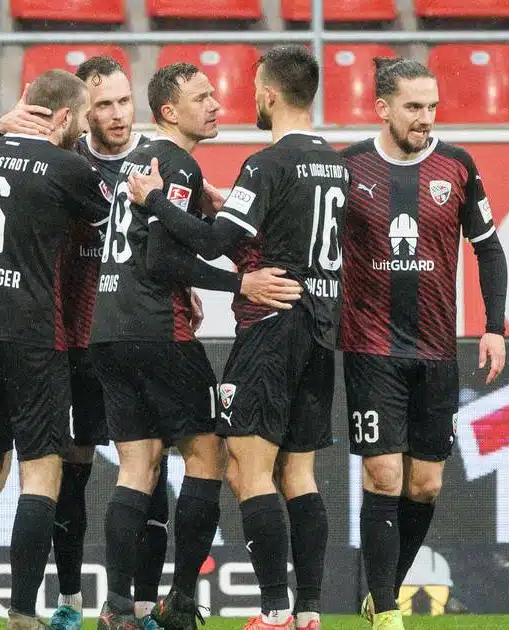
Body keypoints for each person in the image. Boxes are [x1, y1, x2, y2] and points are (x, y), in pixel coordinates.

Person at [126, 46, 344, 630]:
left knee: (248, 470)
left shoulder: (266, 164)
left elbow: (214, 241)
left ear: (270, 95)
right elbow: (276, 229)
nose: (239, 102)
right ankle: (308, 612)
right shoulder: (335, 164)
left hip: (270, 329)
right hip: (321, 327)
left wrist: (154, 201)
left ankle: (272, 610)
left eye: (252, 92)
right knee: (298, 474)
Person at [89, 62, 305, 630]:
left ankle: (117, 608)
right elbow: (162, 258)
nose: (215, 104)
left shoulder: (137, 161)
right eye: (201, 98)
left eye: (214, 94)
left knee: (137, 467)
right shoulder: (176, 163)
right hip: (159, 330)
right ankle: (182, 598)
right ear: (169, 111)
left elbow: (150, 246)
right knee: (208, 454)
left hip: (108, 328)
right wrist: (241, 283)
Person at [0, 56, 174, 630]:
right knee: (71, 473)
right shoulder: (60, 162)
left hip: (135, 336)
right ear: (81, 111)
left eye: (123, 101)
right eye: (102, 104)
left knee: (150, 468)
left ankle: (140, 602)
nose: (116, 114)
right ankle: (69, 600)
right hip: (72, 341)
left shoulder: (155, 162)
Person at [0, 69, 111, 630]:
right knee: (41, 472)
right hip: (35, 333)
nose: (86, 126)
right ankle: (23, 611)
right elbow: (109, 220)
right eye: (83, 116)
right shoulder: (70, 167)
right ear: (64, 117)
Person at [339, 57, 508, 630]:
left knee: (426, 484)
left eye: (432, 106)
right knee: (383, 475)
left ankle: (380, 593)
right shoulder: (349, 168)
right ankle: (388, 612)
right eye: (414, 106)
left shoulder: (457, 165)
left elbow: (489, 248)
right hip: (370, 346)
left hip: (436, 350)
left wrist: (494, 325)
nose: (426, 117)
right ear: (381, 108)